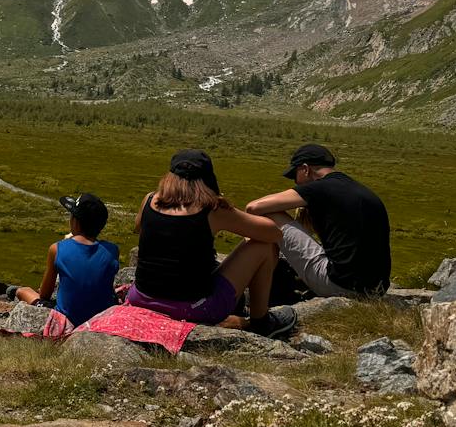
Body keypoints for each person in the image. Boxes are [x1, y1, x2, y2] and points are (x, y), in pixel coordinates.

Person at [125, 149, 297, 339]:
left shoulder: (150, 199)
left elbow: (139, 227)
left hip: (140, 298)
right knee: (262, 246)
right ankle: (262, 322)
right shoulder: (212, 209)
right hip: (192, 308)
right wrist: (227, 207)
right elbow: (273, 233)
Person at [245, 143, 391, 298]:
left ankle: (255, 282)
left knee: (271, 215)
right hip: (377, 289)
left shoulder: (318, 188)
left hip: (341, 285)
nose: (295, 182)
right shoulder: (360, 190)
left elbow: (253, 207)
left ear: (305, 169)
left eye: (295, 175)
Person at [13, 193, 120, 326]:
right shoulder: (112, 250)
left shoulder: (57, 249)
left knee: (23, 291)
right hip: (101, 317)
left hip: (68, 318)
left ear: (75, 222)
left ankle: (12, 291)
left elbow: (45, 294)